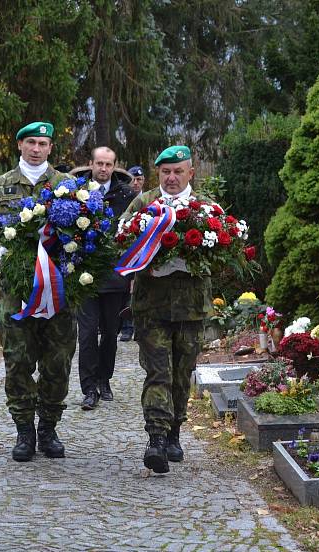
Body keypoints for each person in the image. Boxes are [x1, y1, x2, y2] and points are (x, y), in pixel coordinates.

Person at [0, 121, 75, 463]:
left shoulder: (67, 186)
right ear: (20, 145)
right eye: (30, 142)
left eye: (43, 143)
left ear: (50, 148)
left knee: (57, 362)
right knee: (17, 362)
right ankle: (24, 431)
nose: (36, 149)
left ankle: (48, 426)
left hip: (57, 294)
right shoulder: (0, 186)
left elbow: (87, 229)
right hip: (15, 293)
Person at [120, 145, 212, 473]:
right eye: (165, 172)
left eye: (178, 171)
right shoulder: (143, 204)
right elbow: (122, 241)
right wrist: (147, 263)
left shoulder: (205, 208)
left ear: (190, 173)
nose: (171, 178)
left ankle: (175, 432)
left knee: (181, 373)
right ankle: (156, 439)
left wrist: (193, 262)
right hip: (151, 307)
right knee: (158, 371)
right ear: (157, 173)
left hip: (191, 308)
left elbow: (224, 254)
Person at [70, 148, 137, 410]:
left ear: (115, 167)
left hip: (115, 275)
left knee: (110, 333)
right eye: (99, 163)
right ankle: (88, 388)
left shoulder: (127, 196)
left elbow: (134, 237)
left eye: (108, 164)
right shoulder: (76, 192)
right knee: (86, 335)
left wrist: (132, 274)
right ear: (91, 164)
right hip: (85, 275)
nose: (103, 168)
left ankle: (104, 379)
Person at [119, 165, 145, 342]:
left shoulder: (149, 199)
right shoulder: (124, 198)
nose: (135, 183)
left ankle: (140, 326)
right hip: (127, 251)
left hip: (145, 252)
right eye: (132, 180)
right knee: (125, 290)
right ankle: (127, 327)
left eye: (139, 180)